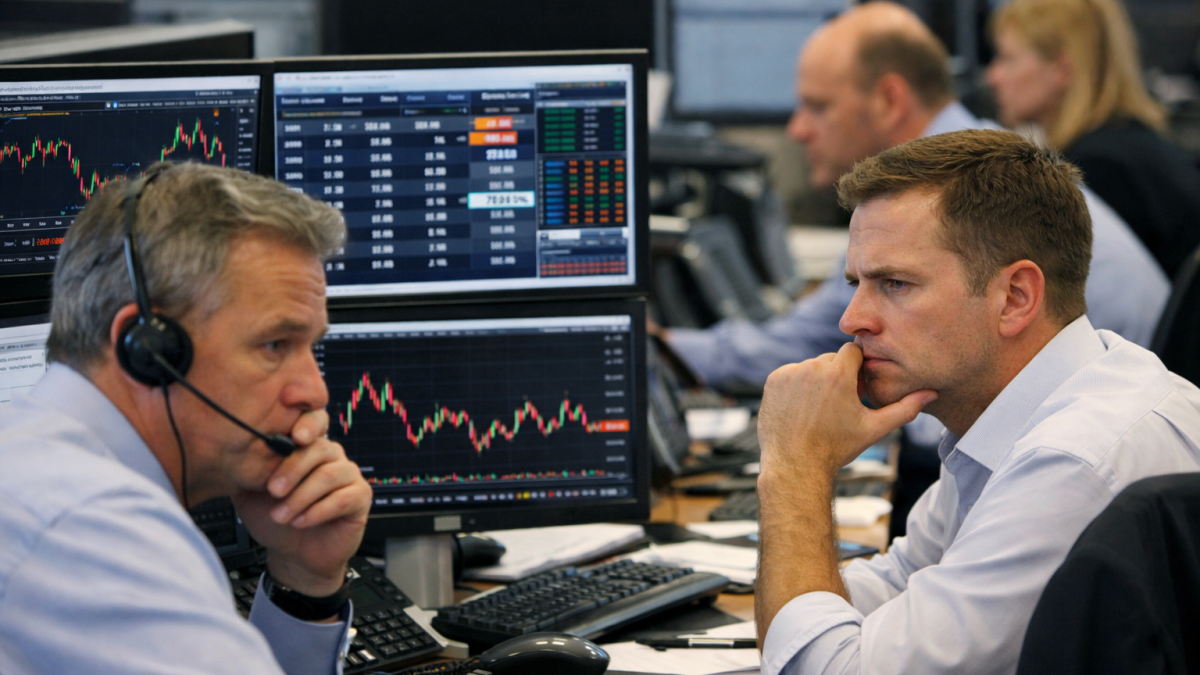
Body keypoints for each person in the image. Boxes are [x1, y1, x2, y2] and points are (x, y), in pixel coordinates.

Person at [754, 127, 1200, 675]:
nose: (852, 321)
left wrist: (794, 469)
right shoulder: (1008, 413)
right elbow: (893, 589)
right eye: (856, 284)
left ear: (1014, 298)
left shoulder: (1070, 464)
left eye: (894, 284)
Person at [661, 1, 1168, 391]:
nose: (798, 129)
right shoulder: (971, 164)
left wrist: (659, 348)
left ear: (889, 100)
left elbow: (805, 343)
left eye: (818, 106)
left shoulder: (936, 197)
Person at [0, 162, 373, 675]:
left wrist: (304, 578)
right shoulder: (95, 530)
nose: (315, 391)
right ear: (148, 351)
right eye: (274, 345)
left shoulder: (31, 459)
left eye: (310, 347)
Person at [986, 0, 1200, 280]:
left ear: (1062, 70)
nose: (992, 77)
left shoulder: (1098, 169)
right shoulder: (1131, 145)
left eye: (1007, 58)